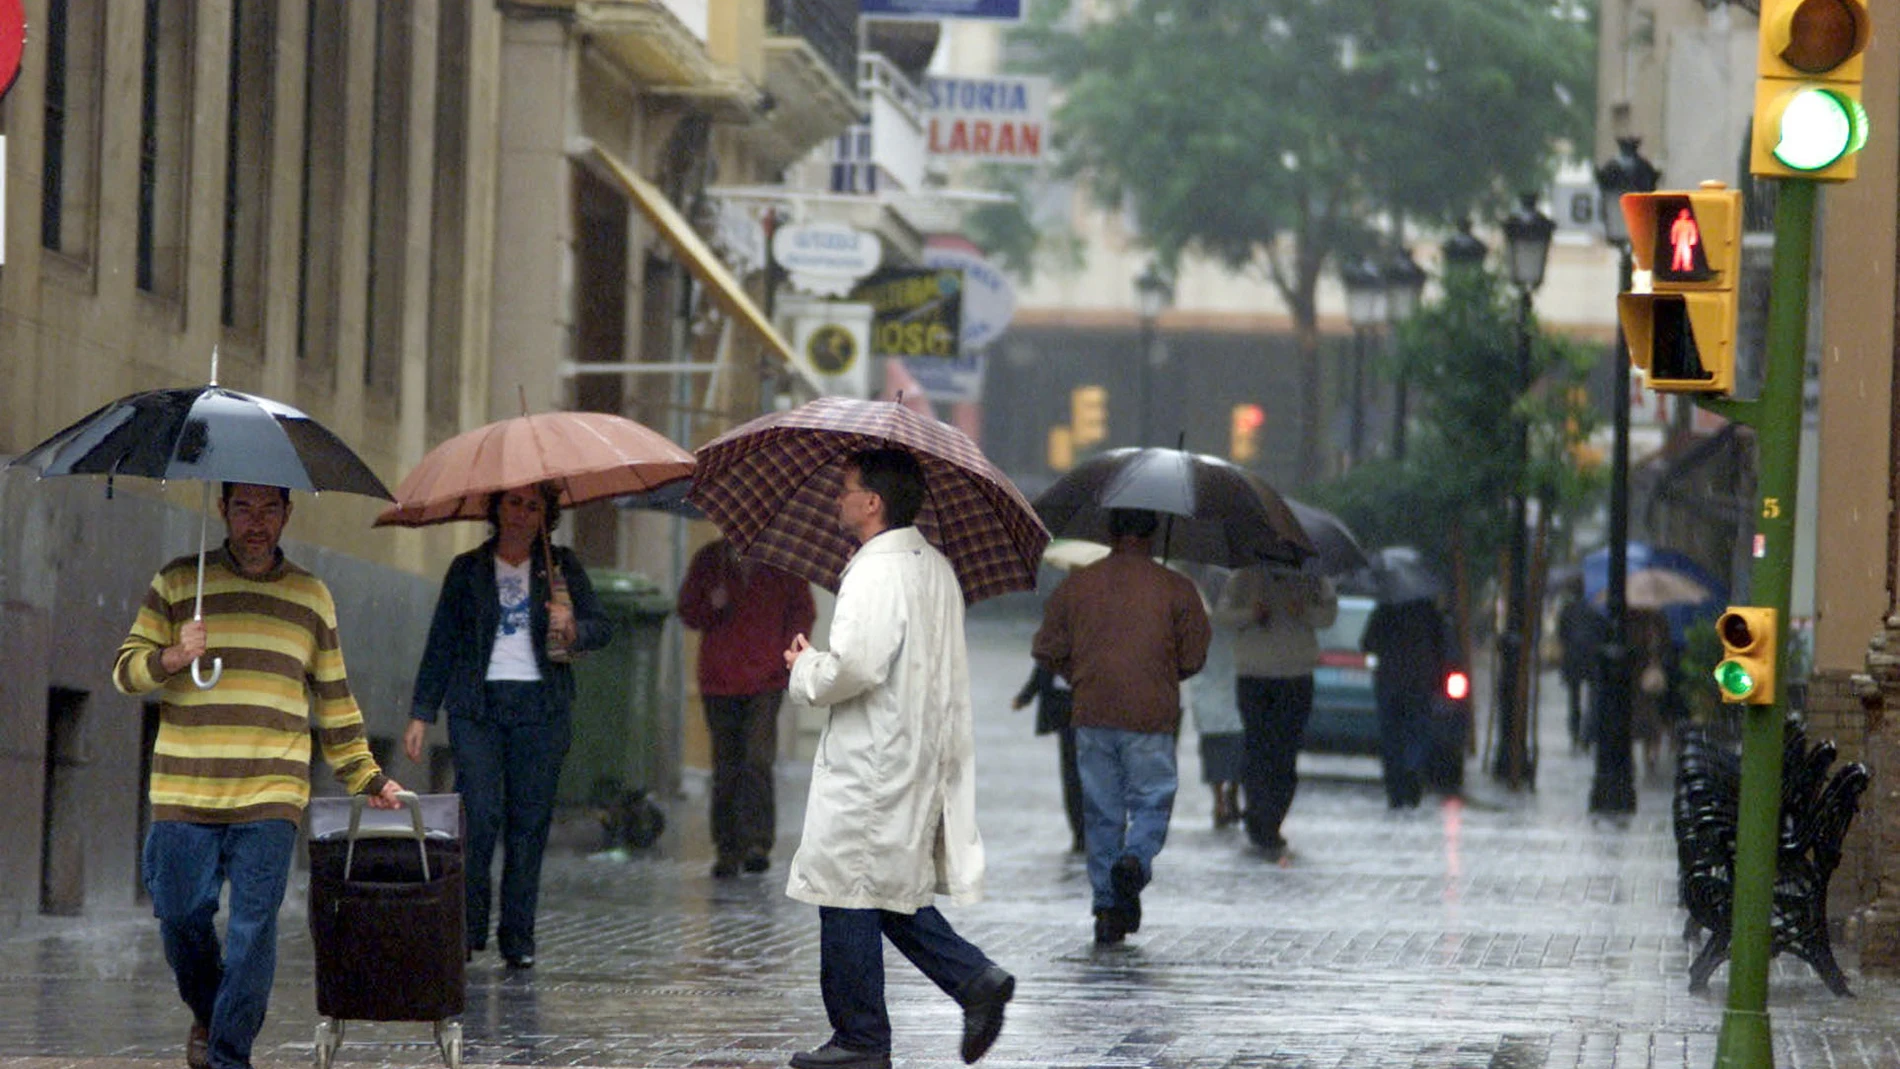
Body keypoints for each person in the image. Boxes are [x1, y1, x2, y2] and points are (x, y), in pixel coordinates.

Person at [113, 482, 406, 1069]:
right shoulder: (176, 583)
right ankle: (210, 1009)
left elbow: (334, 699)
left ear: (287, 514)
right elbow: (125, 673)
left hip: (272, 791)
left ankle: (228, 1056)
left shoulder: (310, 597)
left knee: (252, 932)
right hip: (183, 788)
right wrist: (171, 656)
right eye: (243, 507)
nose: (256, 522)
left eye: (269, 508)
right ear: (222, 510)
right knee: (179, 915)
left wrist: (368, 778)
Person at [781, 449, 1014, 1069]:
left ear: (873, 502)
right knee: (883, 887)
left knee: (847, 886)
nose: (838, 498)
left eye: (846, 488)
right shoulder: (934, 566)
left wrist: (805, 667)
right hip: (913, 752)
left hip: (873, 757)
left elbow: (857, 665)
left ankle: (860, 1038)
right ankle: (974, 980)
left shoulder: (875, 569)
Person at [402, 482, 610, 970]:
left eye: (533, 506)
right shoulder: (468, 570)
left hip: (542, 709)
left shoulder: (561, 568)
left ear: (546, 514)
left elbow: (603, 627)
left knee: (529, 823)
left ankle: (518, 936)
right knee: (479, 815)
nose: (521, 514)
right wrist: (421, 712)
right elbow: (442, 643)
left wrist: (573, 624)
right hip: (478, 708)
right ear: (496, 508)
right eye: (513, 503)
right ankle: (468, 930)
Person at [1032, 509, 1211, 945]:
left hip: (1092, 710)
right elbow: (1193, 658)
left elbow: (1046, 648)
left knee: (1101, 812)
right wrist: (1162, 674)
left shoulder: (1078, 585)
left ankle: (1107, 907)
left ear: (1109, 532)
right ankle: (1136, 858)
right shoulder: (1177, 589)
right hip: (1151, 714)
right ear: (1153, 535)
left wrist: (1079, 674)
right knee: (1152, 800)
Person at [677, 537, 816, 878]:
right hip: (718, 679)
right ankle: (727, 847)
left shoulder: (784, 562)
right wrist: (712, 604)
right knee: (725, 765)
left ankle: (757, 842)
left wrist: (787, 654)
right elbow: (688, 612)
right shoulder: (710, 560)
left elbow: (803, 611)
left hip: (765, 680)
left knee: (757, 759)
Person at [1215, 563, 1337, 858]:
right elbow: (1222, 615)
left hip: (1296, 674)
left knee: (1285, 751)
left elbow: (1329, 615)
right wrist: (1251, 614)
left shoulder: (1313, 576)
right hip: (1254, 673)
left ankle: (1271, 818)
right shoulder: (1244, 576)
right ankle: (1258, 815)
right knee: (1257, 747)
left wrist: (1303, 610)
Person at [1360, 597, 1455, 808]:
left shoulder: (1385, 608)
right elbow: (1442, 646)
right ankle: (1413, 769)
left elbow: (1366, 642)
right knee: (1417, 731)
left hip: (1389, 682)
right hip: (1421, 682)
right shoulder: (1429, 611)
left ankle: (1395, 787)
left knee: (1391, 737)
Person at [1184, 573, 1244, 828]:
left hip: (1214, 693)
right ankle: (1227, 795)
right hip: (1226, 692)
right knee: (1235, 747)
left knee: (1215, 750)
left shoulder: (1205, 621)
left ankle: (1221, 799)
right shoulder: (1236, 619)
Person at [1010, 661, 1083, 852]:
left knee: (1077, 774)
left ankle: (1086, 831)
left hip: (1090, 705)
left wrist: (1025, 696)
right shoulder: (1058, 636)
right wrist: (1026, 695)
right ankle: (1082, 832)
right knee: (1074, 774)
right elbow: (1045, 664)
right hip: (1069, 708)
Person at [1557, 580, 1607, 752]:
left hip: (1572, 660)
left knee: (1574, 700)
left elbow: (1561, 636)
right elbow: (1603, 634)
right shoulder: (1594, 612)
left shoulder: (1567, 612)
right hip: (1592, 661)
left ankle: (1575, 733)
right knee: (1593, 699)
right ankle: (1587, 734)